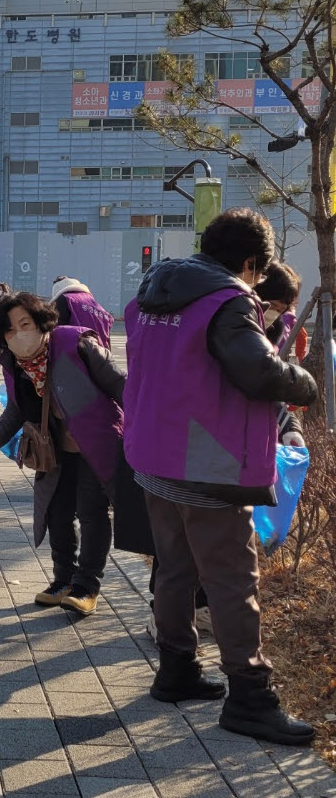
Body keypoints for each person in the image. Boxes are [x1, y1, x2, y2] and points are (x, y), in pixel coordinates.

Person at [123, 208, 318, 745]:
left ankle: (177, 669)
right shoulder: (229, 300)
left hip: (154, 455)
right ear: (253, 263)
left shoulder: (151, 294)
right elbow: (257, 371)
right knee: (233, 580)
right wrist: (304, 383)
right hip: (208, 462)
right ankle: (251, 699)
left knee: (173, 569)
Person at [0, 292, 131, 616]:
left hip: (96, 443)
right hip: (55, 449)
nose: (19, 334)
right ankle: (63, 580)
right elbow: (17, 409)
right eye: (9, 329)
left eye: (25, 323)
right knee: (56, 513)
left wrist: (148, 428)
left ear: (41, 321)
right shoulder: (14, 362)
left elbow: (121, 386)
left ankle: (87, 586)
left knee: (91, 512)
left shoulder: (77, 344)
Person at [255, 261, 308, 362]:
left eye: (280, 310)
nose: (273, 314)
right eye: (272, 306)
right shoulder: (233, 322)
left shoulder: (275, 332)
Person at [51, 276, 114, 348]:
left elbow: (59, 331)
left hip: (77, 353)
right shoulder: (95, 304)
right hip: (101, 354)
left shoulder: (64, 299)